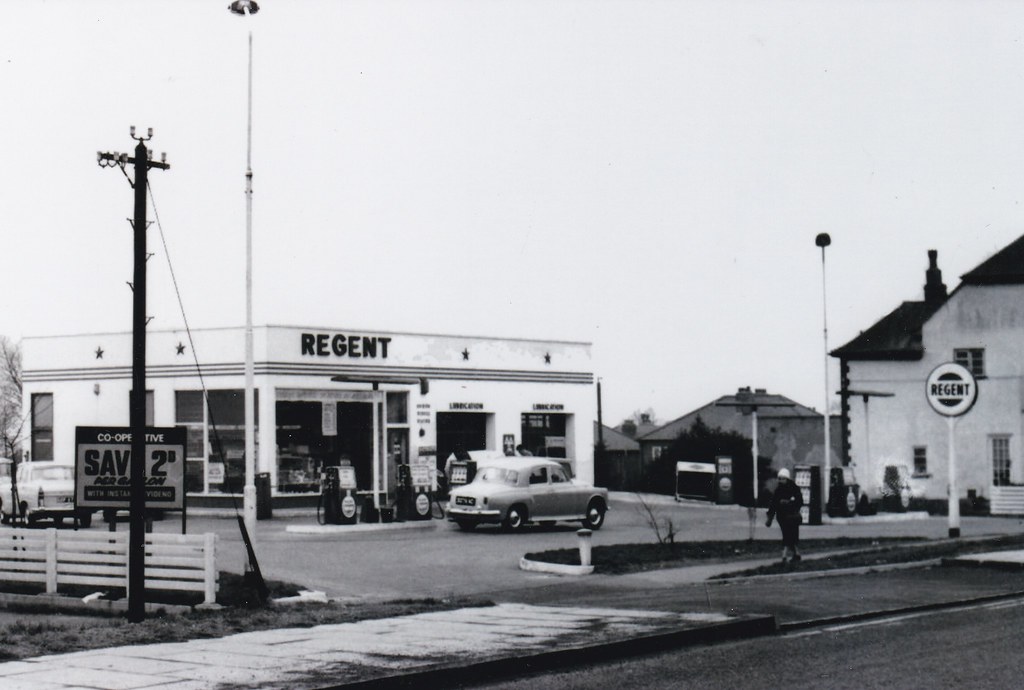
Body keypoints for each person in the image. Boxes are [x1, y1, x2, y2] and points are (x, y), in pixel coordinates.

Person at [766, 467, 803, 564]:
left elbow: (800, 501)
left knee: (788, 535)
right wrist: (770, 516)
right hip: (782, 516)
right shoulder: (778, 490)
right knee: (789, 535)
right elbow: (773, 504)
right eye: (779, 478)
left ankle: (784, 556)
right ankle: (796, 554)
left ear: (787, 479)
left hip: (792, 516)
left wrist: (789, 502)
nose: (780, 480)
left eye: (782, 478)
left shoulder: (794, 488)